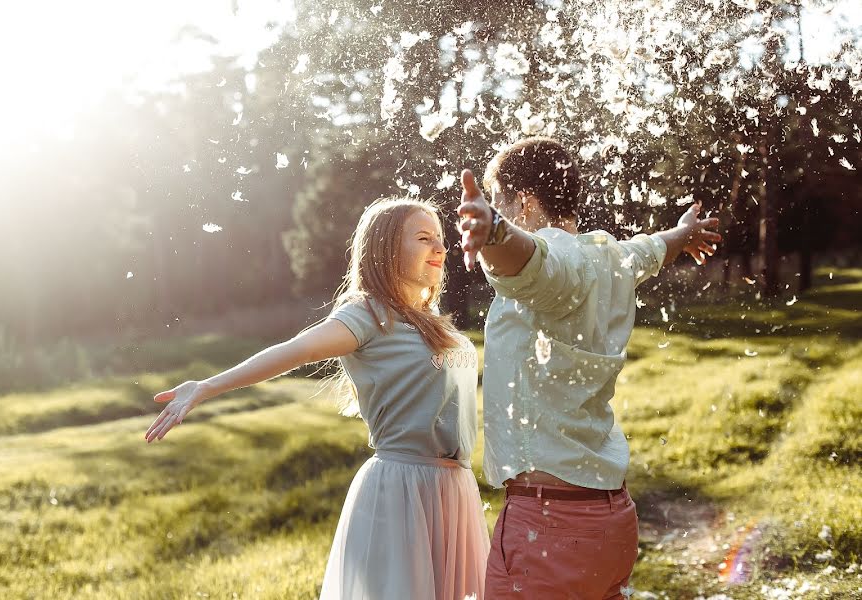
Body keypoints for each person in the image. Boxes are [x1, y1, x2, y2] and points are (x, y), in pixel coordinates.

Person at [145, 197, 489, 600]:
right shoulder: (369, 315)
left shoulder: (435, 322)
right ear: (386, 250)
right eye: (424, 238)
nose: (439, 248)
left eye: (440, 239)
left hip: (455, 488)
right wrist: (206, 387)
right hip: (404, 489)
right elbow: (297, 350)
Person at [455, 137, 721, 599]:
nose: (495, 208)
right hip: (610, 520)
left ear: (523, 201)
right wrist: (681, 235)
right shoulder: (610, 256)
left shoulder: (556, 265)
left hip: (548, 528)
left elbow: (532, 264)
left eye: (499, 199)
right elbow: (652, 249)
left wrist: (494, 231)